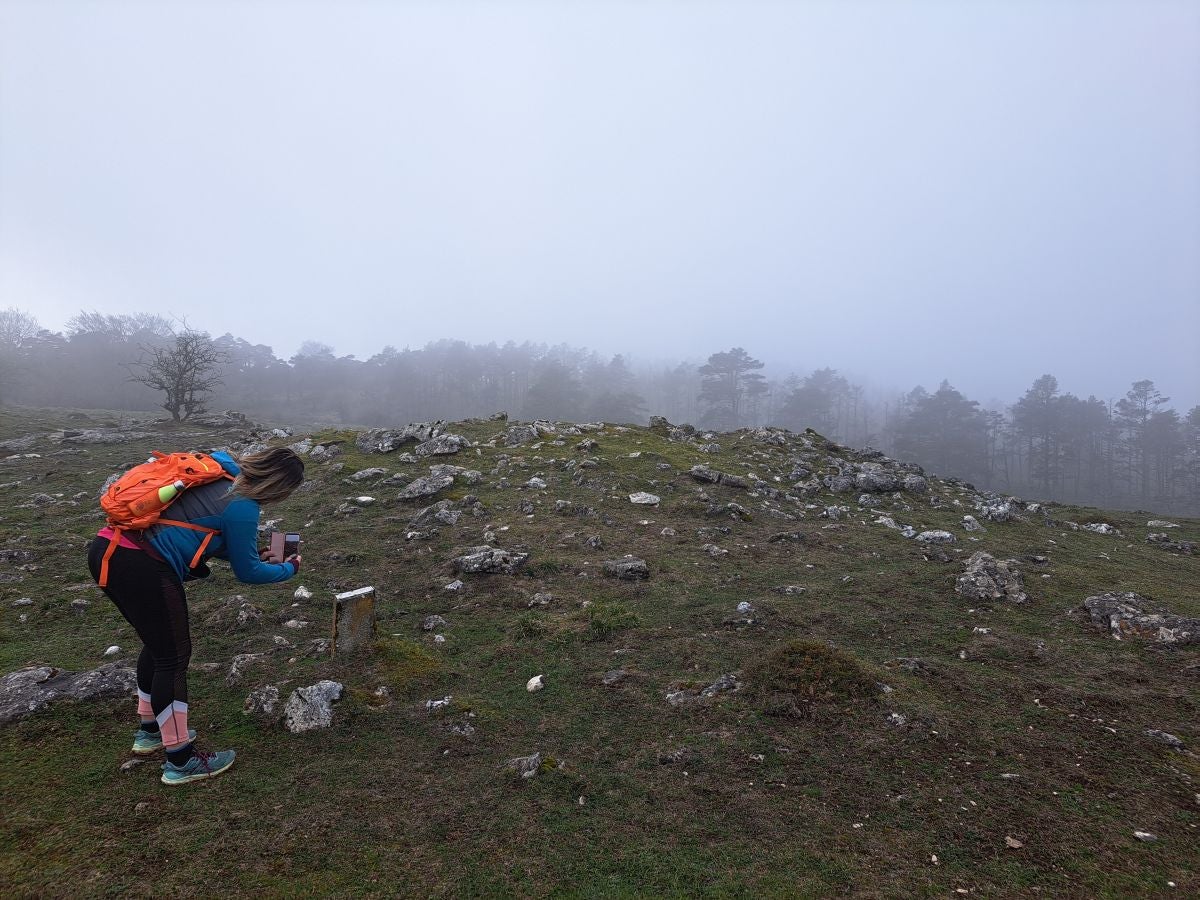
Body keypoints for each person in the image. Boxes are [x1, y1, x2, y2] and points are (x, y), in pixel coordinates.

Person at [87, 447, 304, 785]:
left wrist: (254, 556)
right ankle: (180, 761)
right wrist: (288, 568)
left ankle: (150, 732)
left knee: (159, 647)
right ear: (280, 486)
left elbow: (202, 531)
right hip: (143, 565)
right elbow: (248, 574)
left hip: (108, 550)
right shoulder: (244, 506)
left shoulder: (220, 472)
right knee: (173, 658)